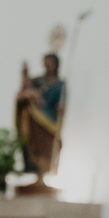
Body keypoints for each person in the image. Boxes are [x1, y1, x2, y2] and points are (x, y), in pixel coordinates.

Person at [15, 53, 65, 191]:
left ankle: (43, 176)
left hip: (49, 121)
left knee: (47, 148)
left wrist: (61, 109)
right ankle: (36, 175)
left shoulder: (60, 85)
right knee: (33, 146)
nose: (47, 66)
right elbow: (22, 93)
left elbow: (61, 106)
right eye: (45, 63)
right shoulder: (37, 81)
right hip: (34, 120)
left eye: (50, 63)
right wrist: (27, 83)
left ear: (56, 65)